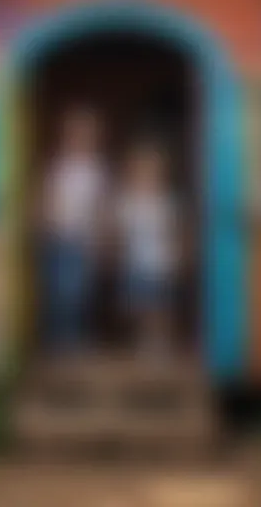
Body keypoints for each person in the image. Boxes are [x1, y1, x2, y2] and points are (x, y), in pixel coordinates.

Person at [40, 107, 107, 353]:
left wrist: (100, 237)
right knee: (58, 289)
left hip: (83, 240)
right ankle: (59, 337)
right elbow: (47, 199)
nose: (81, 140)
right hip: (59, 237)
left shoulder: (97, 169)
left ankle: (74, 336)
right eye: (75, 134)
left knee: (79, 291)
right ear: (65, 136)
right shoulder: (58, 167)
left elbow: (101, 206)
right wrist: (46, 221)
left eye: (87, 135)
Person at [116, 141, 181, 362]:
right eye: (140, 172)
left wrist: (178, 253)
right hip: (134, 262)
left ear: (161, 175)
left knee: (160, 305)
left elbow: (175, 230)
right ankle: (143, 341)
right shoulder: (127, 201)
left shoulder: (166, 201)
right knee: (138, 303)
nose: (145, 178)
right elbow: (119, 229)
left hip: (160, 262)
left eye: (151, 173)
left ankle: (160, 342)